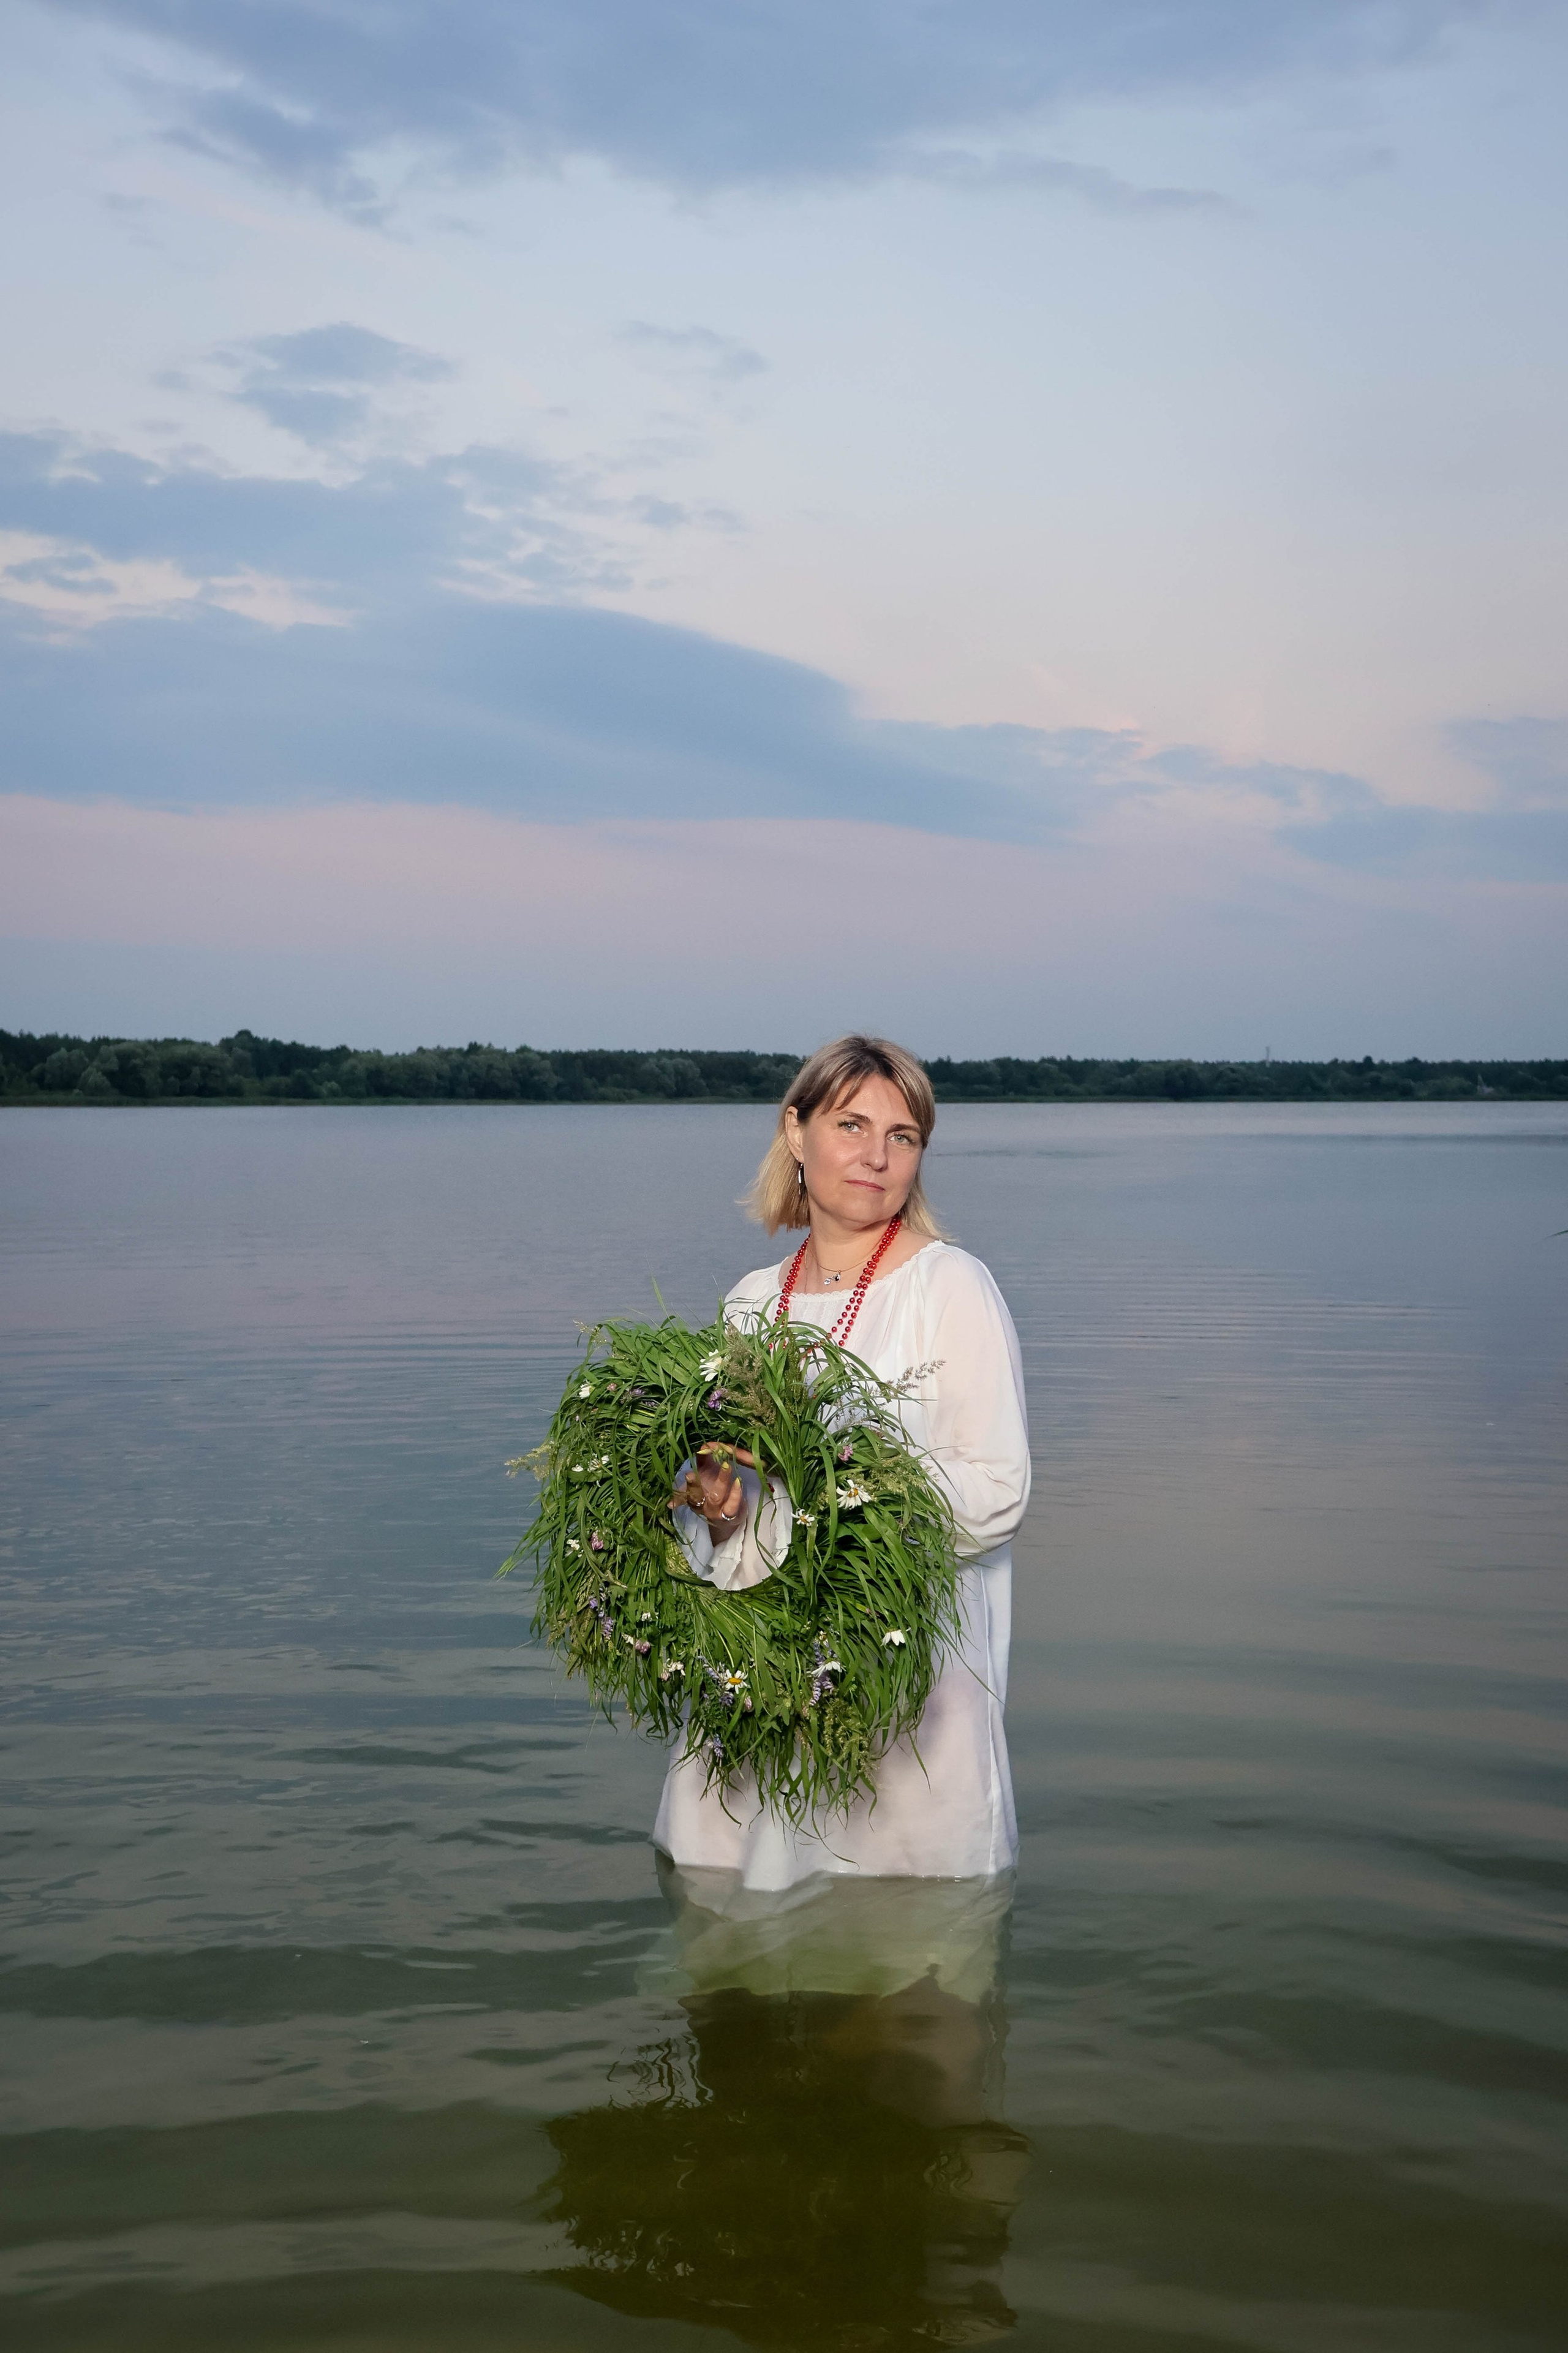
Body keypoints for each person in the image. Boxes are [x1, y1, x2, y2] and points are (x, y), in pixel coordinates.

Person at [654, 1033, 1031, 1890]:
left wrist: (835, 1475)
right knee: (732, 1952)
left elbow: (998, 1496)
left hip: (907, 1703)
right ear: (796, 1131)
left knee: (905, 1979)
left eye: (903, 1136)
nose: (876, 1155)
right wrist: (720, 1510)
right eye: (852, 1124)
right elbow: (744, 1512)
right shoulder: (751, 1301)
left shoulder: (952, 1287)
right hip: (762, 1692)